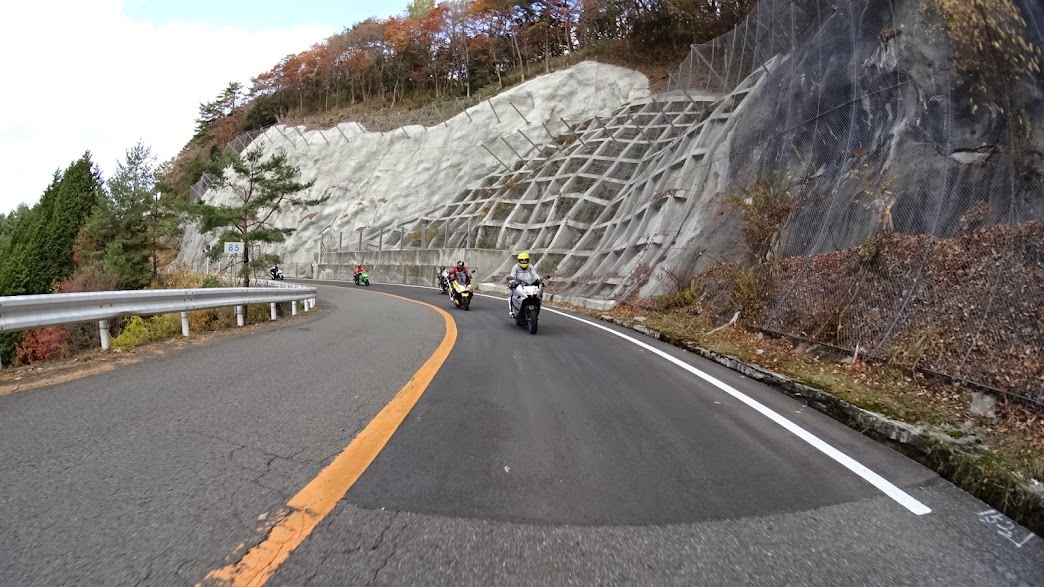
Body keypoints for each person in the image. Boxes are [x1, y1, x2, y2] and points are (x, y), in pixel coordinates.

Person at [506, 252, 540, 317]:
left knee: (537, 295)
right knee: (511, 294)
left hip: (528, 284)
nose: (524, 262)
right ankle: (511, 311)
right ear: (519, 260)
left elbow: (535, 274)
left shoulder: (530, 266)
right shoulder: (515, 267)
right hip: (518, 284)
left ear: (528, 260)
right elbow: (512, 275)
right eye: (522, 260)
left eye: (525, 260)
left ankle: (536, 308)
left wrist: (539, 280)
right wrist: (512, 281)